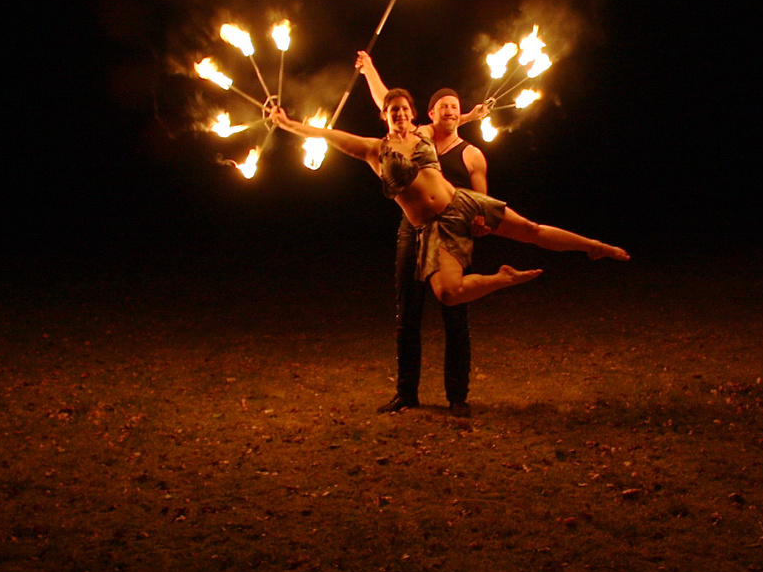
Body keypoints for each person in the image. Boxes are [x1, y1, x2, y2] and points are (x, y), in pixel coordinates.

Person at [269, 51, 628, 391]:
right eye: (393, 110)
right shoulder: (373, 150)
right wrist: (289, 123)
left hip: (461, 203)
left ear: (413, 113)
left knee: (530, 230)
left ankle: (596, 247)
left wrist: (470, 114)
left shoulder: (424, 133)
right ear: (385, 115)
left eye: (405, 109)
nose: (399, 113)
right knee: (448, 293)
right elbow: (325, 133)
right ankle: (503, 279)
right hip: (433, 230)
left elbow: (447, 116)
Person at [355, 56, 488, 416]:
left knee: (454, 310)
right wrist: (369, 69)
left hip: (452, 230)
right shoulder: (417, 134)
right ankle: (406, 393)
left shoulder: (467, 151)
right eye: (443, 106)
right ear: (428, 113)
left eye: (455, 109)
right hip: (412, 230)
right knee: (407, 313)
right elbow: (389, 102)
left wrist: (478, 219)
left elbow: (483, 197)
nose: (449, 112)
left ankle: (457, 396)